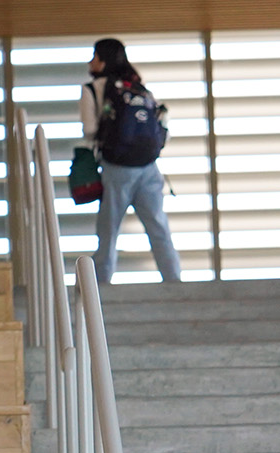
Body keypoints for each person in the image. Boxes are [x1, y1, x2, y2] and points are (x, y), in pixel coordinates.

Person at [81, 38, 181, 284]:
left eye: (94, 56)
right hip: (149, 167)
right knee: (158, 227)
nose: (90, 61)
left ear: (103, 60)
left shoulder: (94, 88)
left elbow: (90, 129)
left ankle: (102, 287)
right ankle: (175, 283)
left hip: (117, 169)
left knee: (109, 230)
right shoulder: (137, 86)